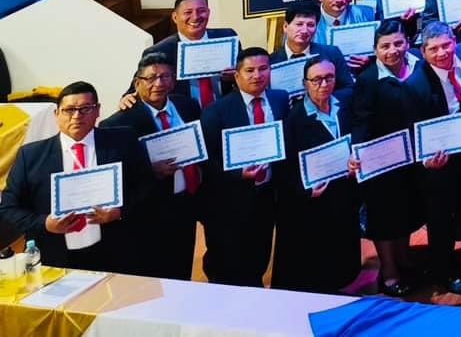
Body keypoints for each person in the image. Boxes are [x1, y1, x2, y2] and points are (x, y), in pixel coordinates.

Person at [0, 81, 142, 272]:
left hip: (114, 251)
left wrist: (119, 212)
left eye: (85, 109)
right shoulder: (31, 155)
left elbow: (145, 186)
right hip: (55, 255)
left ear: (97, 110)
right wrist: (44, 223)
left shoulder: (121, 142)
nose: (76, 116)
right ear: (56, 114)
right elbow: (8, 207)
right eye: (69, 110)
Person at [99, 53, 202, 279]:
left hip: (186, 202)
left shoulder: (188, 106)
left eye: (165, 76)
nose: (159, 83)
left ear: (173, 80)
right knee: (152, 275)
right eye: (151, 78)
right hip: (149, 211)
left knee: (182, 268)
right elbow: (116, 176)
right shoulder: (117, 123)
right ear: (137, 83)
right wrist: (150, 170)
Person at [348, 21, 428, 296]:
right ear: (375, 50)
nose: (392, 50)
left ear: (407, 43)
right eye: (385, 46)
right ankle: (390, 272)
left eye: (398, 43)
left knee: (407, 210)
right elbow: (360, 119)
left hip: (413, 155)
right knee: (384, 216)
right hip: (381, 158)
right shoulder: (369, 79)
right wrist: (358, 152)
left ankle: (404, 259)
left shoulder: (419, 66)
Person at [199, 47, 290, 286]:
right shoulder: (216, 111)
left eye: (263, 69)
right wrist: (238, 173)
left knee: (259, 253)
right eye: (250, 70)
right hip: (229, 201)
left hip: (267, 195)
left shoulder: (280, 99)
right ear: (237, 75)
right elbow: (206, 161)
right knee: (226, 260)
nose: (257, 75)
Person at [274, 56, 361, 293]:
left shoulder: (345, 105)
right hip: (312, 201)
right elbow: (284, 167)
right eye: (317, 80)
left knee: (342, 251)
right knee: (316, 262)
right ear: (305, 83)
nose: (323, 84)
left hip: (344, 192)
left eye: (329, 78)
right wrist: (304, 190)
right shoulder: (293, 119)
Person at [408, 23, 461, 294]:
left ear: (454, 42)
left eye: (446, 45)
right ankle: (443, 271)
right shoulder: (416, 86)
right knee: (441, 218)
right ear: (423, 52)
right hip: (438, 162)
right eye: (433, 49)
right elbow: (412, 130)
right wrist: (426, 162)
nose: (442, 53)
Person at [150, 0, 238, 106]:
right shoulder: (159, 51)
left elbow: (245, 74)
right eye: (188, 12)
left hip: (226, 109)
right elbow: (140, 87)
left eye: (201, 11)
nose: (195, 17)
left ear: (208, 13)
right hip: (185, 113)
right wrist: (129, 98)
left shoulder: (227, 37)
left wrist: (237, 76)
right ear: (175, 17)